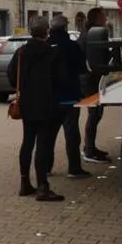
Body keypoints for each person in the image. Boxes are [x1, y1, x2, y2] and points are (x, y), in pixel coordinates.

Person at [7, 15, 67, 202]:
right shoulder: (52, 53)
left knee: (27, 142)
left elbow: (11, 76)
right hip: (47, 104)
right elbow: (61, 80)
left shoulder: (21, 53)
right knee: (43, 144)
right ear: (46, 31)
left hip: (27, 103)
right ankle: (42, 186)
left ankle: (25, 182)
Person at [47, 15, 91, 179]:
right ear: (65, 27)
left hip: (50, 99)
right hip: (70, 96)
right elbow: (82, 68)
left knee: (48, 135)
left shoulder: (45, 47)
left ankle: (46, 167)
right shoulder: (72, 46)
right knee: (72, 134)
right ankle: (74, 168)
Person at [77, 7, 111, 164]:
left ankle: (90, 147)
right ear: (96, 19)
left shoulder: (91, 33)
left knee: (96, 113)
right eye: (103, 17)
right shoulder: (91, 35)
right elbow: (96, 57)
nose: (106, 19)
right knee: (94, 113)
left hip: (92, 79)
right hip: (90, 80)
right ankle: (89, 150)